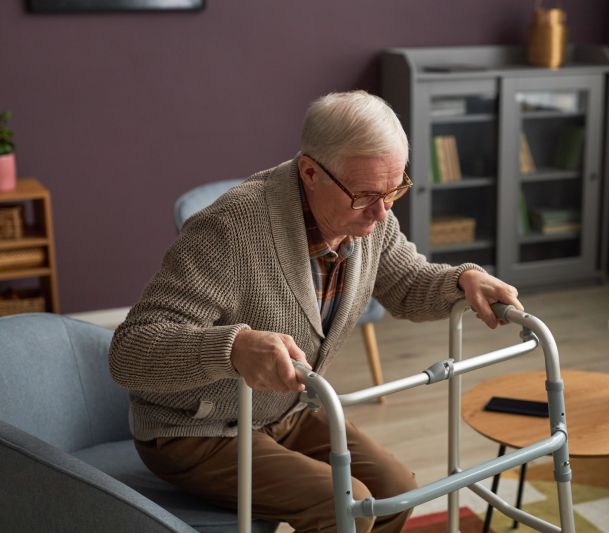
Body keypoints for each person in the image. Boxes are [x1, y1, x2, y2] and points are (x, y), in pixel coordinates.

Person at [109, 90, 522, 533]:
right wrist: (233, 348)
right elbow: (130, 351)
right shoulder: (230, 230)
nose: (382, 213)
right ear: (310, 172)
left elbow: (407, 282)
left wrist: (462, 280)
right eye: (366, 195)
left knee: (395, 494)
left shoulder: (368, 214)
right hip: (194, 430)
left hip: (283, 412)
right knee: (346, 506)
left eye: (395, 189)